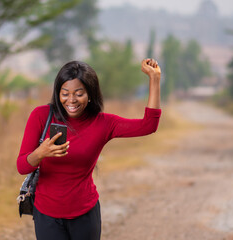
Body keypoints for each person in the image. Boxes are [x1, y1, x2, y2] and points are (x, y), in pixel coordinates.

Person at [17, 59, 161, 240]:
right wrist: (40, 153)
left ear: (90, 94)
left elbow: (149, 125)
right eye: (65, 93)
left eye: (79, 93)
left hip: (85, 214)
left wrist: (154, 79)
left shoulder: (104, 123)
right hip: (47, 215)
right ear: (58, 93)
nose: (71, 100)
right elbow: (22, 166)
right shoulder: (41, 116)